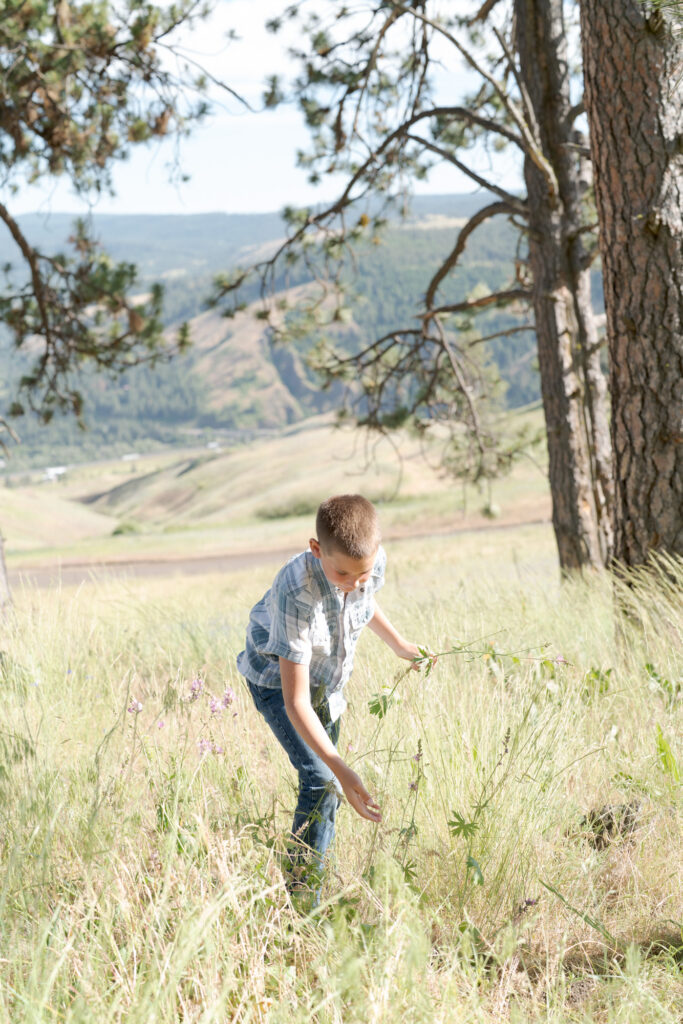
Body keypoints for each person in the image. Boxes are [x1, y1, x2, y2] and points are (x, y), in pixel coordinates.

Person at [237, 493, 431, 903]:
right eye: (342, 573)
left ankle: (315, 877)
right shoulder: (297, 588)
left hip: (327, 679)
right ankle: (302, 903)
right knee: (325, 781)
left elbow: (365, 600)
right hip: (278, 681)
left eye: (362, 574)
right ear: (316, 549)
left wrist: (399, 645)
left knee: (330, 785)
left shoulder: (367, 563)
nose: (353, 583)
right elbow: (296, 702)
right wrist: (342, 770)